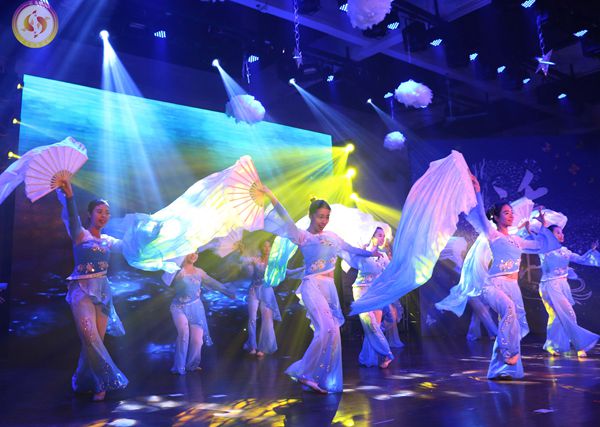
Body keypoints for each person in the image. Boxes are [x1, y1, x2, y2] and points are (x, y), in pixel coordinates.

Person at [260, 187, 381, 393]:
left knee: (333, 334)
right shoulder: (303, 236)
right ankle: (304, 373)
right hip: (312, 285)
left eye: (327, 217)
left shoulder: (333, 236)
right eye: (320, 216)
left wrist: (371, 253)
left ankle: (319, 377)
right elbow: (285, 218)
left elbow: (351, 250)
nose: (324, 221)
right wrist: (270, 195)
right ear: (311, 216)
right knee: (326, 330)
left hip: (329, 288)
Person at [469, 175, 560, 379]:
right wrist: (477, 190)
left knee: (514, 326)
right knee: (509, 310)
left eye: (512, 212)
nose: (511, 216)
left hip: (513, 286)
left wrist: (542, 225)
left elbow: (542, 245)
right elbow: (481, 214)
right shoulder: (493, 235)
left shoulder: (517, 241)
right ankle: (509, 353)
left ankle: (499, 370)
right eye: (506, 212)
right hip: (493, 284)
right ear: (496, 217)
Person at [56, 175, 128, 401]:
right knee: (90, 338)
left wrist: (151, 234)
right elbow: (71, 217)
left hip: (103, 292)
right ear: (90, 214)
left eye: (107, 212)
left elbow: (130, 247)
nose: (103, 216)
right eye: (99, 211)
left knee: (96, 341)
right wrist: (69, 195)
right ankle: (103, 383)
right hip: (82, 290)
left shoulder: (108, 240)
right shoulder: (80, 235)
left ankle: (80, 381)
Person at [169, 252, 236, 374]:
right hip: (179, 307)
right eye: (191, 252)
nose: (194, 255)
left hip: (196, 307)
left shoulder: (199, 272)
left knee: (197, 340)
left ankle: (192, 365)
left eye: (196, 253)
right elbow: (166, 281)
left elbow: (212, 282)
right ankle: (179, 367)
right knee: (184, 334)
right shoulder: (177, 271)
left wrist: (227, 292)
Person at [538, 226, 599, 357]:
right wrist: (542, 226)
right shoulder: (544, 249)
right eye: (557, 233)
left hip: (562, 285)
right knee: (569, 314)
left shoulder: (565, 251)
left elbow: (581, 259)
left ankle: (551, 345)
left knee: (556, 317)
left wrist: (592, 251)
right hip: (550, 286)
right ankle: (580, 345)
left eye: (562, 232)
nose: (561, 235)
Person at [352, 227, 394, 368]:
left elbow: (390, 273)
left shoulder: (383, 256)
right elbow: (347, 264)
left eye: (383, 235)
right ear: (372, 236)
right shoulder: (362, 252)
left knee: (373, 328)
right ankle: (386, 354)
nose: (382, 238)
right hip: (362, 291)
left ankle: (367, 358)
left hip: (376, 293)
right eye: (379, 235)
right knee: (371, 324)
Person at [241, 239, 282, 357]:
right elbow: (246, 264)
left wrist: (302, 270)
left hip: (267, 290)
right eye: (265, 246)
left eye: (269, 246)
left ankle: (264, 347)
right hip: (254, 289)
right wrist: (242, 252)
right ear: (261, 248)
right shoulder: (257, 260)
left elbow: (286, 272)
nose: (267, 249)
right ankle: (252, 346)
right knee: (252, 318)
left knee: (267, 320)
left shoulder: (274, 262)